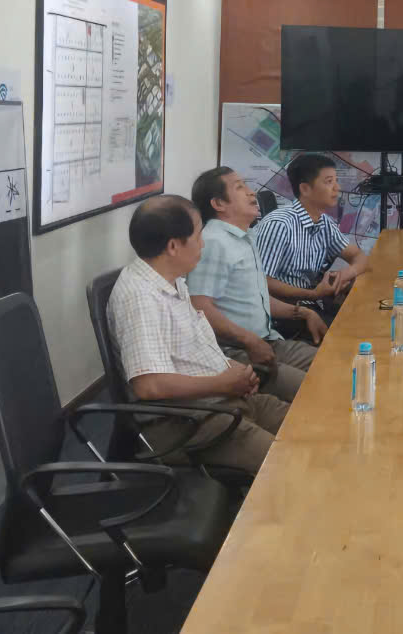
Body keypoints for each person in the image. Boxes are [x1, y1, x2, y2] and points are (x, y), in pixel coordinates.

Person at [107, 195, 288, 474]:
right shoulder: (140, 297)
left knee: (311, 428)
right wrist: (221, 383)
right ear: (173, 246)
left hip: (222, 401)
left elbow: (191, 352)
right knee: (292, 464)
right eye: (198, 235)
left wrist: (233, 371)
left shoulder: (173, 280)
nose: (203, 243)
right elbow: (149, 385)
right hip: (190, 421)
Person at [186, 167, 320, 402]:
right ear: (218, 203)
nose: (252, 193)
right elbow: (199, 306)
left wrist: (302, 312)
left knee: (337, 363)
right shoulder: (214, 242)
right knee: (319, 389)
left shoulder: (244, 237)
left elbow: (256, 298)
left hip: (268, 340)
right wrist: (249, 341)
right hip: (239, 351)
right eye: (240, 187)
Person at [253, 153, 370, 335]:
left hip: (312, 301)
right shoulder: (279, 224)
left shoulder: (324, 222)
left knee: (366, 316)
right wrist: (314, 294)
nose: (337, 188)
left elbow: (359, 257)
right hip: (283, 311)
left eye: (336, 181)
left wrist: (346, 274)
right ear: (305, 189)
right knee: (354, 333)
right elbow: (262, 282)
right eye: (329, 182)